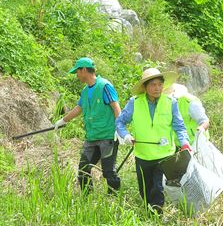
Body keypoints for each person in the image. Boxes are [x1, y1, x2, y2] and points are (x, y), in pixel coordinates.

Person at [116, 68, 191, 212]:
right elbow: (120, 122)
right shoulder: (135, 102)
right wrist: (125, 136)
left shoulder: (171, 102)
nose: (157, 88)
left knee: (158, 188)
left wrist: (185, 143)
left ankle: (157, 215)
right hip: (142, 154)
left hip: (164, 155)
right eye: (153, 85)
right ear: (145, 87)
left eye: (160, 84)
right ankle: (148, 212)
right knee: (144, 189)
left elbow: (179, 127)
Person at [53, 57, 122, 194]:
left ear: (84, 70)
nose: (77, 75)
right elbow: (78, 109)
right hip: (91, 137)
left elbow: (116, 107)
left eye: (77, 72)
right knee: (83, 169)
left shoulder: (104, 86)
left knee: (108, 172)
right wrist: (62, 121)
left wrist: (119, 130)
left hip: (107, 137)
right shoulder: (85, 91)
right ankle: (87, 198)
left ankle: (114, 198)